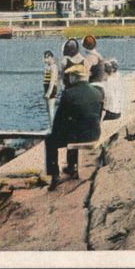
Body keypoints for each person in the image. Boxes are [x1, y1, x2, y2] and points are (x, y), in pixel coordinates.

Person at [45, 62, 104, 190]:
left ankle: (54, 175)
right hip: (94, 133)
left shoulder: (68, 94)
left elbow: (59, 119)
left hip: (78, 136)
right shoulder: (98, 92)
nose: (69, 79)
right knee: (75, 128)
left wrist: (55, 133)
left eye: (70, 76)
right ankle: (72, 168)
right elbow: (98, 115)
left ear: (74, 77)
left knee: (50, 140)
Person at [42, 50, 59, 125]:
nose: (45, 60)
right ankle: (50, 126)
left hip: (51, 90)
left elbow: (52, 81)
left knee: (51, 109)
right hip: (47, 89)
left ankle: (52, 127)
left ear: (51, 57)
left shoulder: (54, 67)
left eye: (46, 58)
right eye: (44, 58)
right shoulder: (48, 67)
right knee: (48, 109)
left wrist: (49, 92)